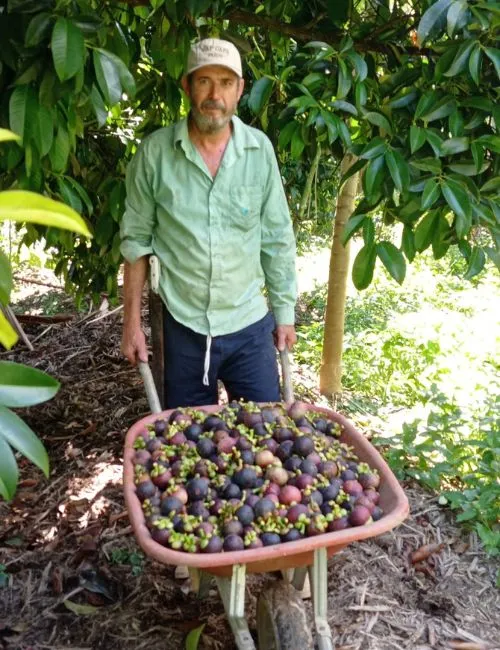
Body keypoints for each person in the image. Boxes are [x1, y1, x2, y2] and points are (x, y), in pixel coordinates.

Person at [120, 38, 297, 408]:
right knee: (186, 446)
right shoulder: (155, 154)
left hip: (248, 324)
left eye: (226, 83)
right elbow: (136, 242)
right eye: (204, 81)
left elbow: (277, 238)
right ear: (187, 86)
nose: (215, 94)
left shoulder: (259, 151)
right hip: (181, 327)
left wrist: (284, 315)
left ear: (240, 90)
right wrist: (132, 324)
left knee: (267, 435)